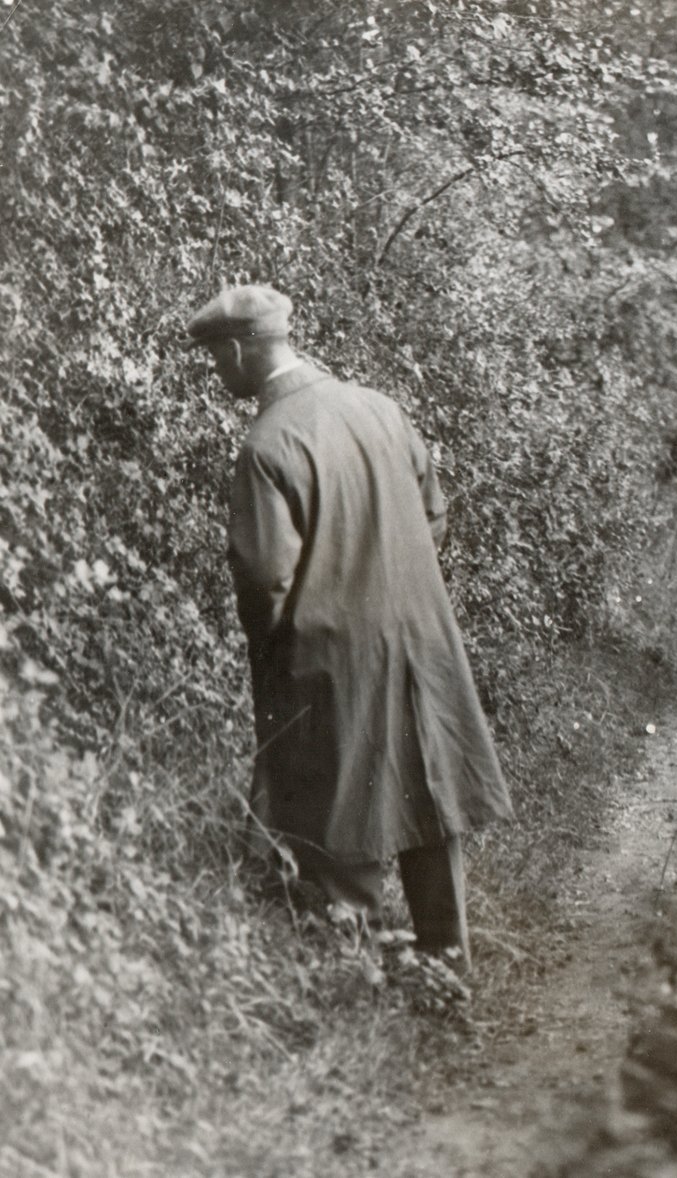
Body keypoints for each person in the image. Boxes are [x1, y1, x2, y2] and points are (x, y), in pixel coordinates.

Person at [185, 284, 511, 976]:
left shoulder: (267, 442)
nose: (219, 374)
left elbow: (266, 578)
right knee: (427, 791)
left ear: (242, 349)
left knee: (335, 804)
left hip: (327, 652)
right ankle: (447, 968)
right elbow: (434, 514)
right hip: (421, 638)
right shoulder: (379, 407)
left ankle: (351, 981)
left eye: (218, 359)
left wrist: (276, 648)